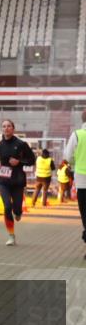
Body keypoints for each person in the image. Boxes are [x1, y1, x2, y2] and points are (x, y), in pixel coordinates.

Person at [0, 119, 35, 246]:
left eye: (9, 126)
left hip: (17, 181)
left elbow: (31, 160)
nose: (6, 128)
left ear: (13, 128)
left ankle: (18, 212)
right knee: (7, 206)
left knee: (17, 209)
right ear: (2, 129)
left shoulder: (21, 144)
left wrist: (19, 162)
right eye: (4, 126)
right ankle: (11, 236)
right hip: (3, 180)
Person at [64, 110, 86, 257]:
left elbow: (68, 156)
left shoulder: (77, 134)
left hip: (82, 179)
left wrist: (76, 162)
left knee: (85, 214)